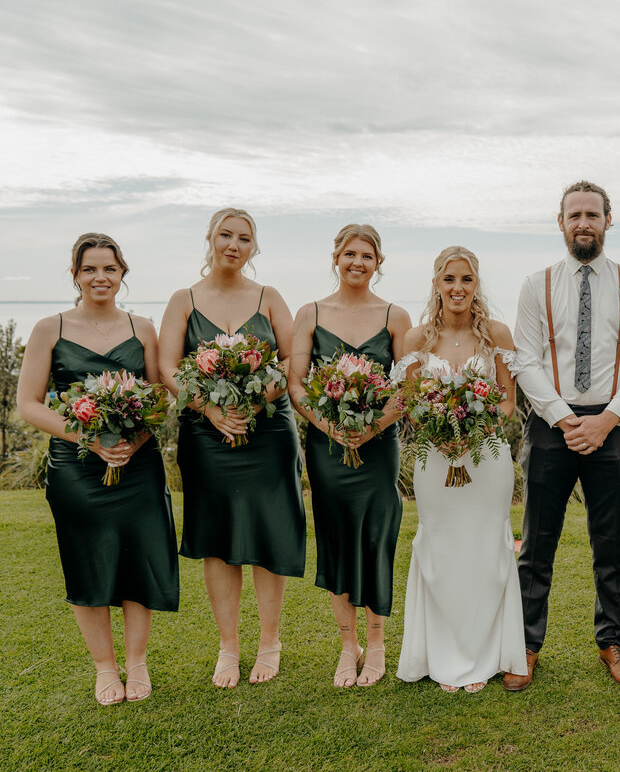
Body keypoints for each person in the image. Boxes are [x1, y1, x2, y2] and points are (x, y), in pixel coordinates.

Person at [16, 234, 179, 705]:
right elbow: (29, 404)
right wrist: (88, 437)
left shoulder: (143, 327)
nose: (100, 277)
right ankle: (104, 669)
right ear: (76, 275)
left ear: (122, 273)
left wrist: (133, 441)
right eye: (90, 269)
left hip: (138, 464)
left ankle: (137, 663)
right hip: (76, 469)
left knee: (137, 561)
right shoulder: (50, 328)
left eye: (109, 268)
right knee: (88, 562)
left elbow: (160, 399)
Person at [508, 181, 620, 690]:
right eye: (575, 215)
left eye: (593, 214)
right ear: (561, 222)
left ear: (608, 221)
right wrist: (562, 417)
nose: (584, 223)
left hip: (611, 426)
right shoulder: (537, 285)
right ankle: (525, 645)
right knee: (536, 542)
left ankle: (612, 641)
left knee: (610, 540)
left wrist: (606, 419)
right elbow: (524, 360)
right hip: (551, 426)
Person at [159, 207, 305, 688]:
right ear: (210, 238)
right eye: (226, 235)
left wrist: (256, 398)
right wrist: (211, 409)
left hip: (268, 433)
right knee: (218, 542)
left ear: (253, 248)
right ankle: (228, 646)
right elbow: (167, 368)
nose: (234, 245)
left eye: (244, 238)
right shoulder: (184, 299)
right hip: (206, 435)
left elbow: (292, 360)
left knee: (266, 535)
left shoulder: (269, 298)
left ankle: (270, 642)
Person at [394, 246, 525, 693]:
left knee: (485, 553)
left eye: (466, 280)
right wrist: (441, 428)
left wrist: (475, 426)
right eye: (449, 279)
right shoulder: (415, 341)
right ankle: (443, 656)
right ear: (436, 284)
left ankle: (484, 658)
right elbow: (411, 404)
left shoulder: (498, 334)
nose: (457, 288)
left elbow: (508, 403)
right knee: (442, 551)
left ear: (476, 285)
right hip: (436, 461)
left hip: (486, 458)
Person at [288, 224, 411, 688]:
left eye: (367, 256)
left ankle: (377, 642)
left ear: (379, 263)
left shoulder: (396, 316)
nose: (357, 262)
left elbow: (407, 386)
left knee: (378, 538)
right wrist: (330, 427)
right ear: (335, 257)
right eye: (349, 254)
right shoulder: (311, 313)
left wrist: (374, 427)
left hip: (379, 449)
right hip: (327, 447)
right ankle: (347, 644)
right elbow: (298, 384)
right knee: (337, 539)